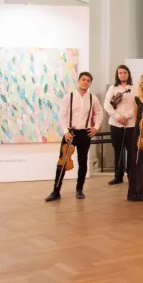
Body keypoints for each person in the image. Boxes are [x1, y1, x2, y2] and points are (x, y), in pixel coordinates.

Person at [45, 72, 103, 202]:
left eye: (88, 80)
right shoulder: (68, 97)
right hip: (70, 133)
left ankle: (79, 190)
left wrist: (96, 127)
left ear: (90, 83)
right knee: (62, 161)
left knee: (82, 162)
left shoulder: (93, 98)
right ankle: (56, 191)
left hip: (85, 133)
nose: (85, 82)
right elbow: (62, 115)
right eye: (83, 80)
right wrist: (65, 131)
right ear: (78, 81)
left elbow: (99, 113)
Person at [103, 65, 135, 185]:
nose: (122, 74)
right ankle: (118, 176)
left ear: (128, 74)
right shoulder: (113, 88)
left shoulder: (134, 88)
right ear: (117, 75)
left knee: (131, 151)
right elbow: (107, 104)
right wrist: (118, 117)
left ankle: (132, 175)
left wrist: (125, 117)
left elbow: (135, 106)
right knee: (118, 150)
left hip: (130, 124)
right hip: (116, 124)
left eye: (125, 72)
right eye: (120, 73)